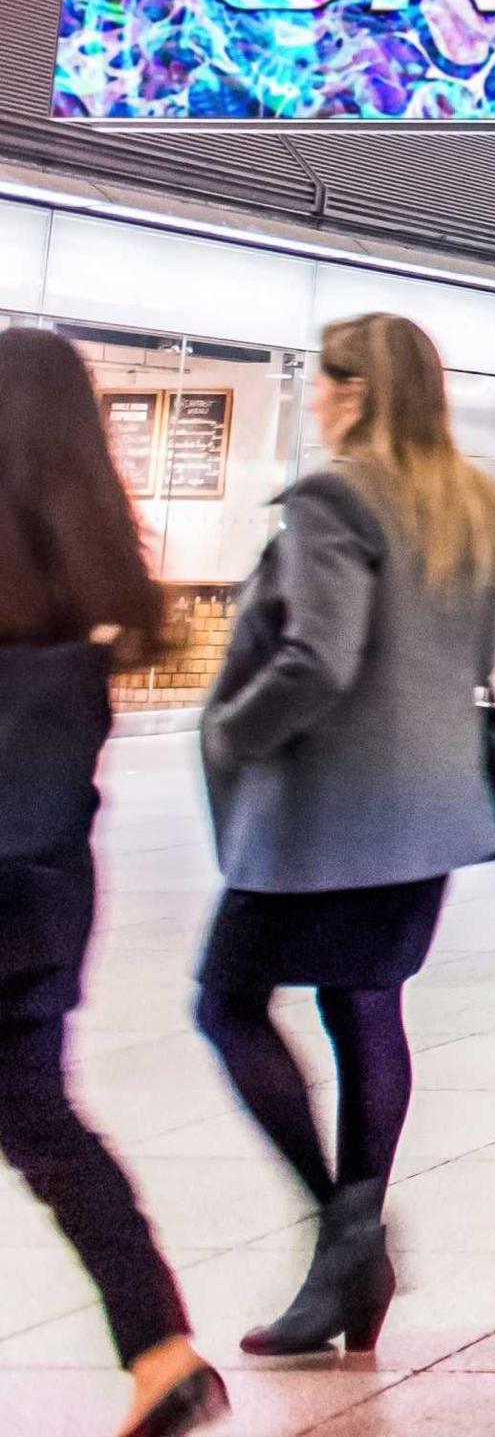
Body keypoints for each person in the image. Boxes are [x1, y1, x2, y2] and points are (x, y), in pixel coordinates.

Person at [196, 314, 495, 1360]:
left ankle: (346, 1235)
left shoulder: (335, 499)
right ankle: (353, 1259)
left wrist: (231, 728)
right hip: (431, 811)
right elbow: (480, 651)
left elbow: (318, 661)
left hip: (328, 816)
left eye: (326, 381)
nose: (316, 397)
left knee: (228, 1000)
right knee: (367, 1005)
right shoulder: (469, 504)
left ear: (360, 393)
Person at [0, 331, 226, 1437]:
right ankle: (158, 1349)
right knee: (44, 1124)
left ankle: (162, 1352)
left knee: (40, 1126)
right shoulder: (95, 593)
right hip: (41, 893)